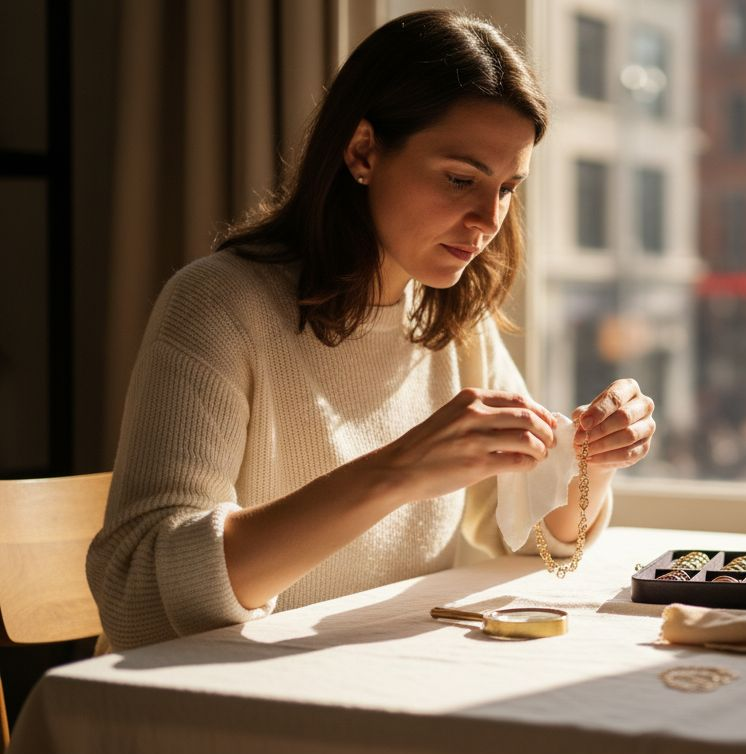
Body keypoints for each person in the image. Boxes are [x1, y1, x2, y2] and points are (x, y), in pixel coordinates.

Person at [86, 10, 655, 651]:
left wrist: (588, 461)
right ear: (363, 150)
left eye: (506, 189)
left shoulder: (452, 319)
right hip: (206, 694)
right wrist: (395, 473)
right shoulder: (218, 306)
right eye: (460, 179)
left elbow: (531, 538)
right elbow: (134, 597)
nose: (487, 219)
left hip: (369, 680)